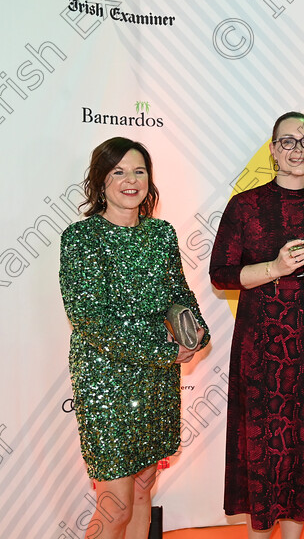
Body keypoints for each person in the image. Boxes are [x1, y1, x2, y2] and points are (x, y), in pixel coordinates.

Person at [210, 112, 304, 539]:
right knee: (264, 450)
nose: (297, 149)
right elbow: (221, 274)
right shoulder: (246, 206)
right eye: (287, 141)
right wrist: (273, 267)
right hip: (262, 351)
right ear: (272, 150)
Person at [59, 137, 210, 539]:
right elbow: (90, 318)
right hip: (106, 376)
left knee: (144, 487)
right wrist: (165, 351)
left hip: (156, 378)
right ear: (100, 181)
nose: (131, 180)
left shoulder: (161, 233)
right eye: (119, 171)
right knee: (116, 505)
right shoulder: (82, 238)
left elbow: (178, 294)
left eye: (139, 171)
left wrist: (197, 334)